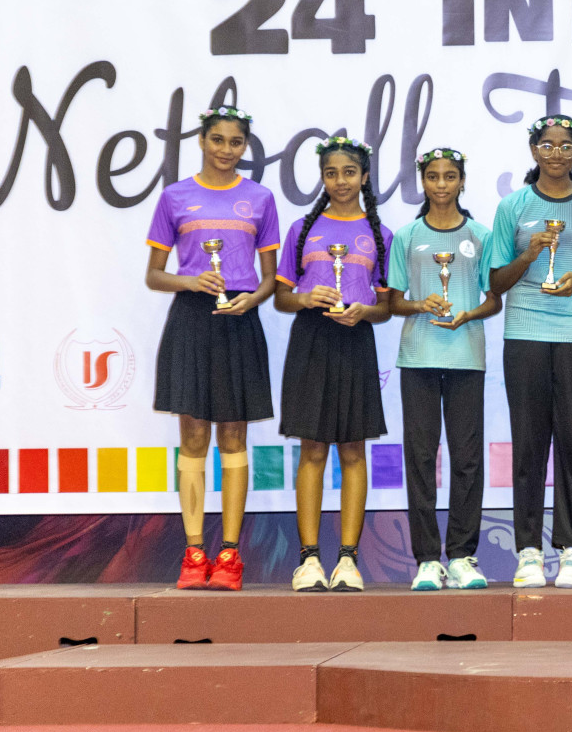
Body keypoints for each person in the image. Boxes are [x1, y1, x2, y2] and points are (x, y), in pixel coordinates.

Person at [145, 106, 279, 591]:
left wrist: (251, 301)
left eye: (235, 142)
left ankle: (230, 554)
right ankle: (194, 550)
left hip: (240, 323)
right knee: (195, 438)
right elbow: (153, 275)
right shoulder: (175, 196)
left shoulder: (260, 198)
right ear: (201, 141)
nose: (226, 150)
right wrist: (191, 280)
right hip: (191, 321)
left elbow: (271, 279)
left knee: (234, 439)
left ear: (245, 147)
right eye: (217, 140)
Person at [485, 115, 572, 590]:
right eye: (547, 144)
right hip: (524, 334)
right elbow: (494, 283)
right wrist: (528, 255)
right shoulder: (513, 207)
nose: (556, 152)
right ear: (534, 150)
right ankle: (528, 552)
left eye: (566, 145)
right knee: (529, 445)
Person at [274, 136, 393, 592]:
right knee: (313, 449)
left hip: (356, 340)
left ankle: (348, 559)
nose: (340, 181)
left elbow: (386, 306)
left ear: (364, 177)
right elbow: (283, 297)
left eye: (349, 172)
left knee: (352, 450)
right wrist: (304, 297)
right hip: (311, 340)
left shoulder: (381, 236)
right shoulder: (303, 230)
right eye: (331, 173)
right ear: (322, 178)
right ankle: (309, 560)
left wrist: (365, 311)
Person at [387, 148, 501, 591]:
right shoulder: (407, 235)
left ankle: (462, 556)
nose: (440, 184)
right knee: (420, 458)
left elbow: (493, 298)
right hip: (417, 357)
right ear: (423, 181)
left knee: (467, 458)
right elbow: (393, 301)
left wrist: (467, 315)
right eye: (432, 176)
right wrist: (421, 304)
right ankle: (426, 559)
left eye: (449, 176)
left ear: (462, 181)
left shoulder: (481, 234)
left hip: (466, 358)